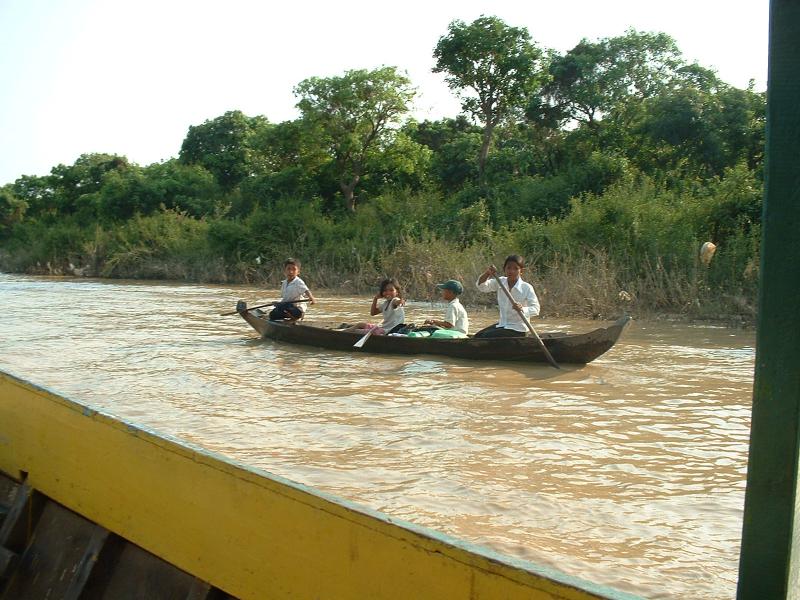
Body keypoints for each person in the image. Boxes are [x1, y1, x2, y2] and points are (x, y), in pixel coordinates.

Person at [474, 255, 539, 338]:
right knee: (478, 336)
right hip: (503, 324)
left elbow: (536, 309)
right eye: (508, 268)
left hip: (518, 329)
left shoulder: (526, 287)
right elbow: (482, 286)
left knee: (486, 336)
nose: (511, 271)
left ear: (521, 271)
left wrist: (522, 308)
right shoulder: (500, 282)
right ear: (504, 269)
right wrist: (487, 273)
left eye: (515, 268)